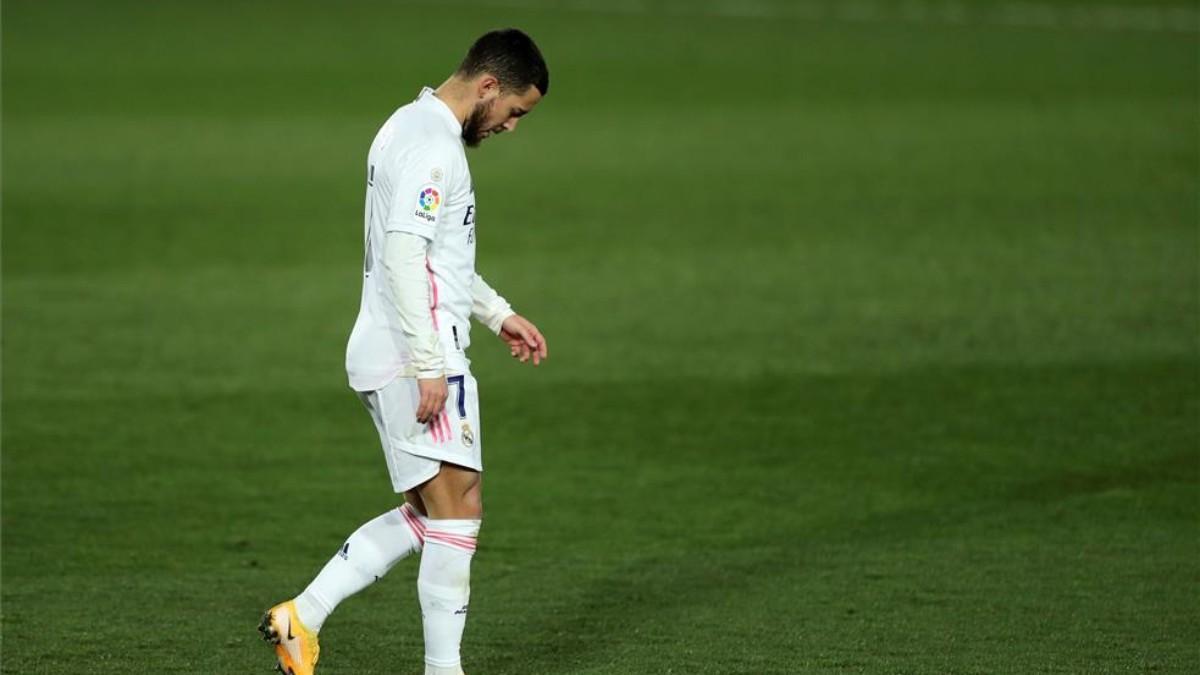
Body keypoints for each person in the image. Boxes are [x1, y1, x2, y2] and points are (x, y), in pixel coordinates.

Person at [259, 28, 550, 675]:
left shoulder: (405, 124)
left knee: (437, 509)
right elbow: (402, 254)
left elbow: (438, 255)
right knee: (459, 512)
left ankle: (301, 616)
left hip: (399, 344)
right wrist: (427, 362)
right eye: (514, 112)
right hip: (415, 352)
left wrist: (498, 312)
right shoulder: (432, 147)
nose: (510, 127)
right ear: (488, 86)